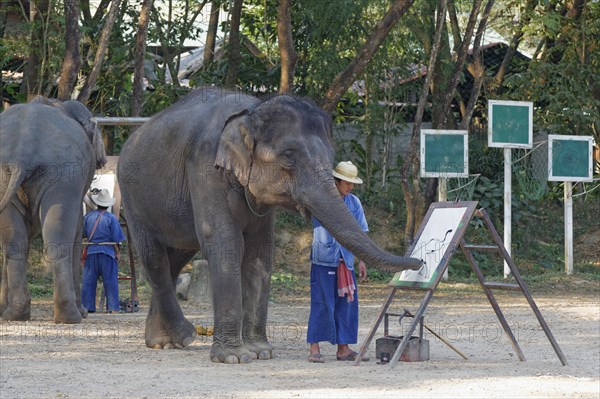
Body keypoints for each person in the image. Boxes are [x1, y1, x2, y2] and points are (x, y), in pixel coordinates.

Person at [307, 161, 370, 363]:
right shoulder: (321, 201)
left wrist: (362, 260)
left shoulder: (354, 203)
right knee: (321, 302)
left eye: (352, 183)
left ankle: (343, 348)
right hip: (324, 260)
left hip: (346, 260)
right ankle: (314, 348)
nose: (350, 187)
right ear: (337, 181)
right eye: (347, 183)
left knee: (347, 304)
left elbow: (361, 234)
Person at [81, 189, 126, 314]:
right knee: (110, 280)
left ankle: (87, 307)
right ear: (108, 204)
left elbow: (83, 234)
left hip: (91, 252)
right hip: (107, 252)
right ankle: (112, 308)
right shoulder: (111, 218)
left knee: (88, 281)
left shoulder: (88, 217)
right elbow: (117, 238)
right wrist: (117, 252)